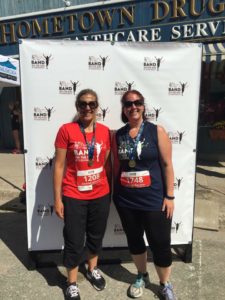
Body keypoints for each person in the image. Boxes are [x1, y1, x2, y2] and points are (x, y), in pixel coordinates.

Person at [112, 90, 176, 300]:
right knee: (135, 240)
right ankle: (142, 275)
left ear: (143, 106)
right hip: (126, 200)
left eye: (137, 103)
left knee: (160, 243)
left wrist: (170, 196)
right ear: (123, 109)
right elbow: (116, 166)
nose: (133, 107)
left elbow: (167, 165)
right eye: (129, 104)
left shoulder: (156, 131)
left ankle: (165, 284)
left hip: (154, 200)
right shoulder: (119, 134)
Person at [53, 89, 111, 300]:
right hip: (73, 194)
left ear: (97, 107)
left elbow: (104, 160)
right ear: (77, 106)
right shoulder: (66, 130)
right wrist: (57, 198)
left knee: (96, 236)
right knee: (74, 240)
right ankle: (71, 283)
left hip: (100, 193)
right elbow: (59, 166)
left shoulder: (104, 131)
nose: (87, 108)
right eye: (83, 104)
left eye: (92, 104)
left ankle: (92, 269)